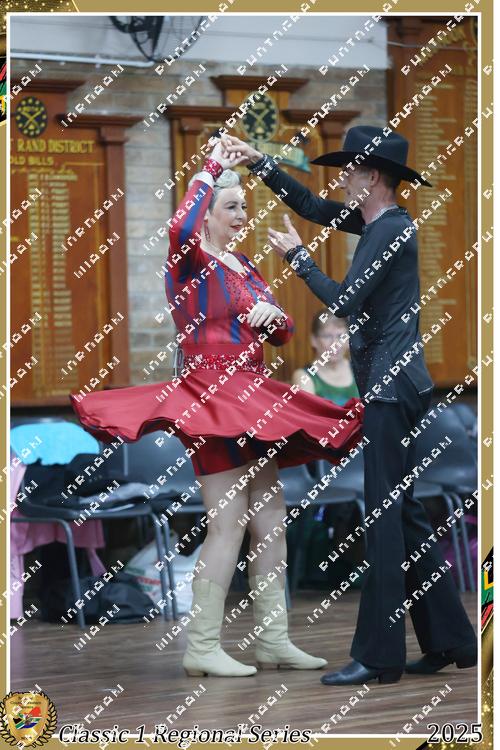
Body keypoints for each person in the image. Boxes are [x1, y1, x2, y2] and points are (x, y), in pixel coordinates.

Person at [69, 138, 364, 679]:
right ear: (206, 213)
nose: (242, 215)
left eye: (244, 206)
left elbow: (285, 331)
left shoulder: (244, 264)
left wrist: (274, 318)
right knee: (227, 523)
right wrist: (210, 168)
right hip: (210, 398)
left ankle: (273, 640)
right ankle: (202, 646)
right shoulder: (189, 260)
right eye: (231, 206)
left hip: (252, 396)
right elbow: (178, 227)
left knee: (270, 518)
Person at [223, 126, 477, 686]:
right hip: (398, 387)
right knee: (404, 514)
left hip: (390, 389)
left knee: (384, 518)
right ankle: (453, 640)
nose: (341, 179)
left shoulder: (390, 230)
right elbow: (313, 207)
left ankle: (380, 658)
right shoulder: (381, 221)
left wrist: (298, 258)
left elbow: (343, 301)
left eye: (350, 170)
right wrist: (260, 162)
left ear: (373, 176)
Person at [292, 309, 358, 406]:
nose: (335, 344)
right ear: (313, 340)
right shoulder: (304, 376)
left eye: (341, 336)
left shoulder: (359, 369)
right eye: (327, 336)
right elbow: (308, 414)